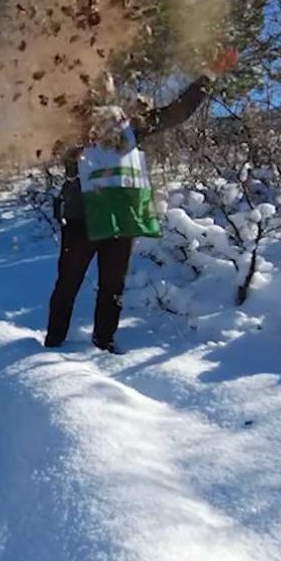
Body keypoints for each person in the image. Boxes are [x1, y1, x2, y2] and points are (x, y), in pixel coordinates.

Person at [45, 48, 239, 354]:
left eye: (105, 81)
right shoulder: (69, 124)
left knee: (113, 287)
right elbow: (44, 126)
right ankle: (52, 345)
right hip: (82, 218)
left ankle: (104, 345)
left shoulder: (131, 125)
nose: (101, 87)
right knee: (68, 284)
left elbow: (177, 112)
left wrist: (208, 76)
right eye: (94, 82)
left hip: (121, 218)